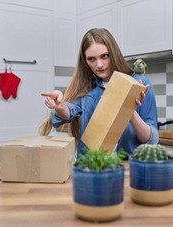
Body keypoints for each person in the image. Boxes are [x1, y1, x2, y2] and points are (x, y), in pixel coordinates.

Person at [40, 28, 158, 158]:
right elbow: (69, 112)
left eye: (104, 56)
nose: (99, 65)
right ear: (85, 61)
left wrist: (129, 111)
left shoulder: (139, 84)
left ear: (114, 53)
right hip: (90, 167)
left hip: (125, 168)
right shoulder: (88, 89)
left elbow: (151, 141)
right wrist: (60, 105)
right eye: (91, 59)